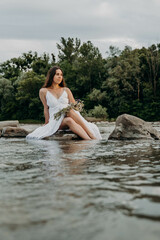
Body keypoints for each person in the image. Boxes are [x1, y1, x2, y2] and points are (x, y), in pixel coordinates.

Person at [26, 66, 102, 140]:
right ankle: (91, 135)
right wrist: (47, 123)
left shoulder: (66, 90)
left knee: (69, 119)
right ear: (51, 76)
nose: (60, 77)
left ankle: (89, 139)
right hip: (56, 120)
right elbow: (46, 108)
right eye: (57, 74)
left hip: (69, 116)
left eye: (61, 75)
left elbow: (74, 107)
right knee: (68, 112)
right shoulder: (43, 91)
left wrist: (78, 105)